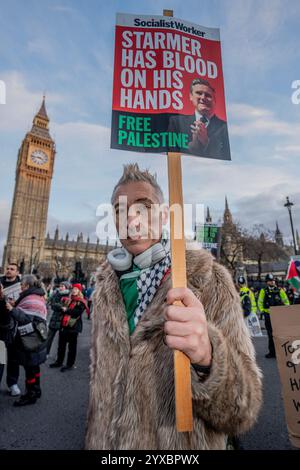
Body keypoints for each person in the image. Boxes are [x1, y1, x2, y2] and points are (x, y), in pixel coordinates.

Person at [85, 163, 262, 450]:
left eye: (144, 207)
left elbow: (244, 411)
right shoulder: (105, 291)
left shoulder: (208, 280)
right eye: (120, 210)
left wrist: (208, 357)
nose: (132, 219)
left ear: (165, 216)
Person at [5, 274, 48, 406]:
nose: (20, 289)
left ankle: (30, 395)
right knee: (34, 368)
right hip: (35, 339)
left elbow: (26, 319)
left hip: (30, 341)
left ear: (28, 286)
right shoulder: (35, 296)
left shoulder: (30, 299)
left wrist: (12, 309)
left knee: (30, 369)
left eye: (22, 286)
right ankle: (36, 390)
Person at [168, 78, 230, 160]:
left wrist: (206, 142)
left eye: (208, 95)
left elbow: (224, 155)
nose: (203, 97)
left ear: (214, 100)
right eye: (199, 93)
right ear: (191, 96)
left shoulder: (223, 127)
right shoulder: (176, 122)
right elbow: (170, 149)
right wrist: (191, 147)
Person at [49, 283, 87, 372]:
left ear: (79, 291)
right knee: (61, 346)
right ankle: (59, 362)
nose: (74, 290)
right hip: (64, 325)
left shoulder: (81, 301)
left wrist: (67, 310)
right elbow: (59, 308)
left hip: (73, 327)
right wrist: (61, 308)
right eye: (73, 289)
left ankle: (70, 364)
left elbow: (77, 312)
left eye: (76, 289)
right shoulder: (68, 300)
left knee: (72, 348)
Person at [0, 263, 21, 396]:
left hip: (15, 326)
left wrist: (16, 304)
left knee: (14, 357)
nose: (8, 271)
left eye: (12, 269)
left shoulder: (21, 286)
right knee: (0, 358)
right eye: (7, 268)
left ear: (17, 272)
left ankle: (12, 383)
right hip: (1, 325)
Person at [258, 274, 290, 359]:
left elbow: (286, 301)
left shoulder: (280, 290)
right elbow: (260, 302)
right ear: (267, 282)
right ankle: (272, 352)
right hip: (268, 316)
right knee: (270, 334)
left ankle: (281, 352)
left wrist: (284, 311)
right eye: (270, 280)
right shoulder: (263, 291)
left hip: (278, 316)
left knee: (279, 335)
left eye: (273, 280)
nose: (272, 282)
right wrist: (263, 311)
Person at [47, 282, 70, 355]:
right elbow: (53, 305)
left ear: (66, 287)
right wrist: (61, 307)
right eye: (60, 286)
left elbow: (68, 307)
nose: (60, 287)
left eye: (62, 286)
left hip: (64, 320)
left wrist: (61, 307)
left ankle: (59, 358)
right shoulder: (56, 294)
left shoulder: (69, 295)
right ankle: (46, 353)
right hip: (55, 318)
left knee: (62, 341)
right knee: (49, 338)